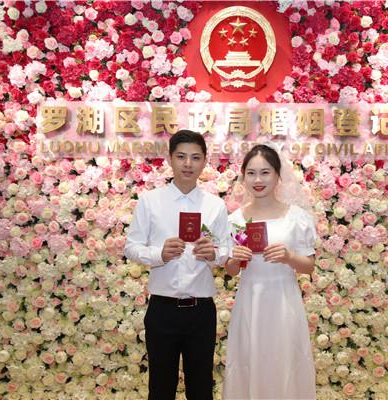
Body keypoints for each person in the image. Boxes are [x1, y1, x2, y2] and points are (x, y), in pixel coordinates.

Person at [124, 130, 230, 400]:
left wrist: (213, 254)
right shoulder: (150, 201)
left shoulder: (215, 205)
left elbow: (226, 251)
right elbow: (131, 247)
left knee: (201, 387)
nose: (188, 164)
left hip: (201, 311)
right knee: (160, 387)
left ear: (204, 161)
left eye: (195, 157)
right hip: (163, 309)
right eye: (181, 156)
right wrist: (159, 254)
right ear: (170, 159)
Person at [223, 144, 317, 399]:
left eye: (265, 173)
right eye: (251, 173)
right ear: (243, 177)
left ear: (277, 175)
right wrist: (235, 259)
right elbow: (230, 271)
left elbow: (309, 265)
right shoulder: (235, 219)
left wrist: (289, 257)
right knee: (248, 359)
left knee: (285, 359)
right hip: (250, 300)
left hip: (284, 299)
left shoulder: (296, 217)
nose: (258, 180)